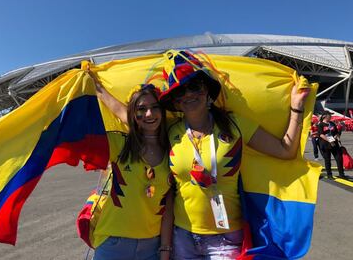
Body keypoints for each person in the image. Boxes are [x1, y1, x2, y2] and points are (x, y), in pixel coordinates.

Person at [158, 50, 310, 259]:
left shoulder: (235, 125)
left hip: (225, 240)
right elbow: (135, 120)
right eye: (179, 92)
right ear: (175, 102)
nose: (188, 94)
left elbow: (286, 150)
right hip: (183, 237)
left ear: (207, 92)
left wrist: (297, 107)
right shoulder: (170, 132)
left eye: (194, 87)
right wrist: (100, 90)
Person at [87, 69, 173, 260]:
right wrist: (96, 87)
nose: (149, 114)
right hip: (113, 243)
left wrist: (165, 249)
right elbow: (117, 111)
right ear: (133, 114)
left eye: (155, 107)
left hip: (152, 246)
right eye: (141, 109)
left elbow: (169, 207)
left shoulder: (174, 149)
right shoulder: (120, 144)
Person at [318, 110, 346, 179]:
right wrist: (329, 140)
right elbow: (321, 135)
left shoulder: (332, 123)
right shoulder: (321, 124)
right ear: (325, 116)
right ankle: (329, 174)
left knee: (339, 158)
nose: (331, 116)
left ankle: (341, 174)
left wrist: (337, 136)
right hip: (325, 145)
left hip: (334, 144)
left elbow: (336, 132)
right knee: (327, 160)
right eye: (329, 115)